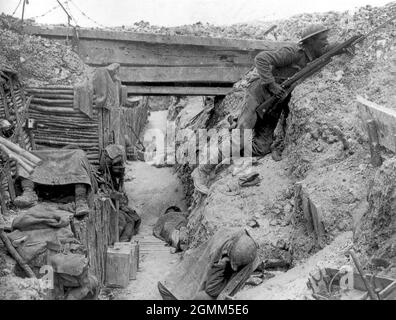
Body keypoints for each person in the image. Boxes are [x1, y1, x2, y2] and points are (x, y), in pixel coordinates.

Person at [192, 24, 350, 194]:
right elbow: (261, 59)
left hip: (274, 106)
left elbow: (330, 49)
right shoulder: (293, 53)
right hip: (258, 96)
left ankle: (227, 148)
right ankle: (202, 171)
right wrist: (272, 84)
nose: (325, 42)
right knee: (240, 139)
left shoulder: (314, 56)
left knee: (262, 148)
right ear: (310, 41)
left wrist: (346, 45)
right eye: (322, 39)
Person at [158, 228, 258, 300]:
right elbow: (211, 291)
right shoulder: (218, 254)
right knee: (196, 294)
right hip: (176, 286)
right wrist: (222, 264)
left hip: (212, 270)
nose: (235, 269)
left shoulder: (242, 244)